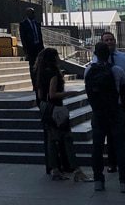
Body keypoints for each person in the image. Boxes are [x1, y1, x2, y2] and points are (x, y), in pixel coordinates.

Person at [86, 31, 125, 174]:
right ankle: (112, 163)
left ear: (115, 41)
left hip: (123, 102)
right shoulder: (94, 65)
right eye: (106, 40)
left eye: (111, 39)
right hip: (104, 105)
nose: (109, 42)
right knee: (110, 135)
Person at [34, 47, 90, 182]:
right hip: (56, 108)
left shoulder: (40, 72)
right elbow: (53, 94)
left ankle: (55, 170)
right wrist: (71, 93)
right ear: (54, 58)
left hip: (45, 107)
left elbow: (42, 94)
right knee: (67, 139)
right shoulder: (54, 73)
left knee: (52, 141)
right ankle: (77, 170)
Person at [19, 8, 44, 87]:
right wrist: (26, 50)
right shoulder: (23, 24)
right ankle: (35, 85)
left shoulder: (37, 23)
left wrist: (42, 48)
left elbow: (40, 36)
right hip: (31, 49)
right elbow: (23, 38)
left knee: (40, 66)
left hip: (39, 48)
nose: (34, 15)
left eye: (34, 13)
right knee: (33, 66)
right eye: (32, 13)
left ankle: (40, 83)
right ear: (28, 14)